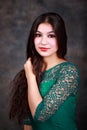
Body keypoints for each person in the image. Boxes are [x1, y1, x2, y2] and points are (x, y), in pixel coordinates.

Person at [9, 12, 80, 130]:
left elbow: (40, 115)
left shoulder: (69, 71)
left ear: (61, 38)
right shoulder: (32, 68)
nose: (43, 42)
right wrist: (30, 75)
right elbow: (28, 121)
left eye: (51, 36)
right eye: (38, 35)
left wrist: (31, 77)